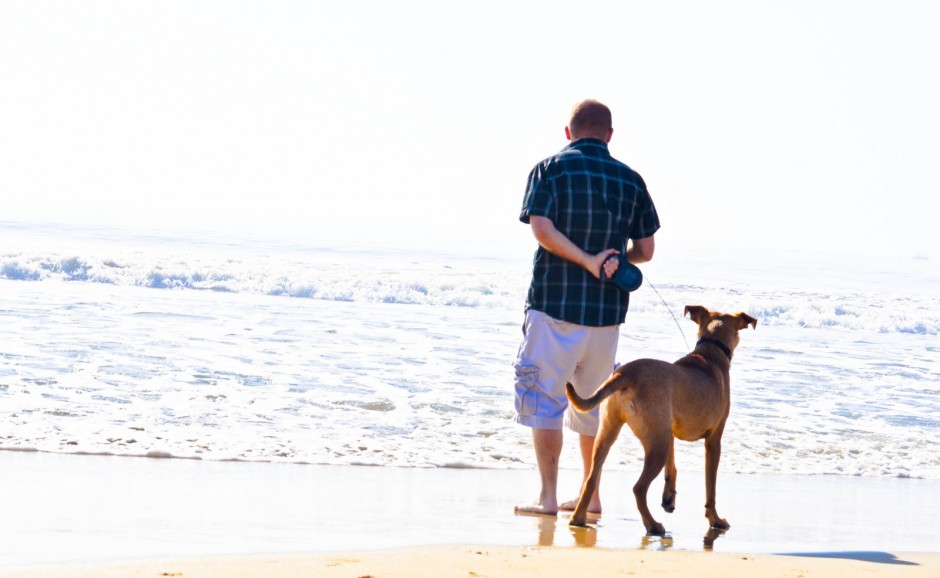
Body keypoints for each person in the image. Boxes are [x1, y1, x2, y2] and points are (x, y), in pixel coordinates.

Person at [513, 99, 660, 516]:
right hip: (605, 318)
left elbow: (542, 230)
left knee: (545, 401)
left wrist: (585, 260)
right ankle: (590, 496)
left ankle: (546, 497)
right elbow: (646, 250)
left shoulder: (550, 169)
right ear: (609, 135)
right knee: (589, 406)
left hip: (554, 307)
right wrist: (614, 259)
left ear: (568, 132)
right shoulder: (631, 180)